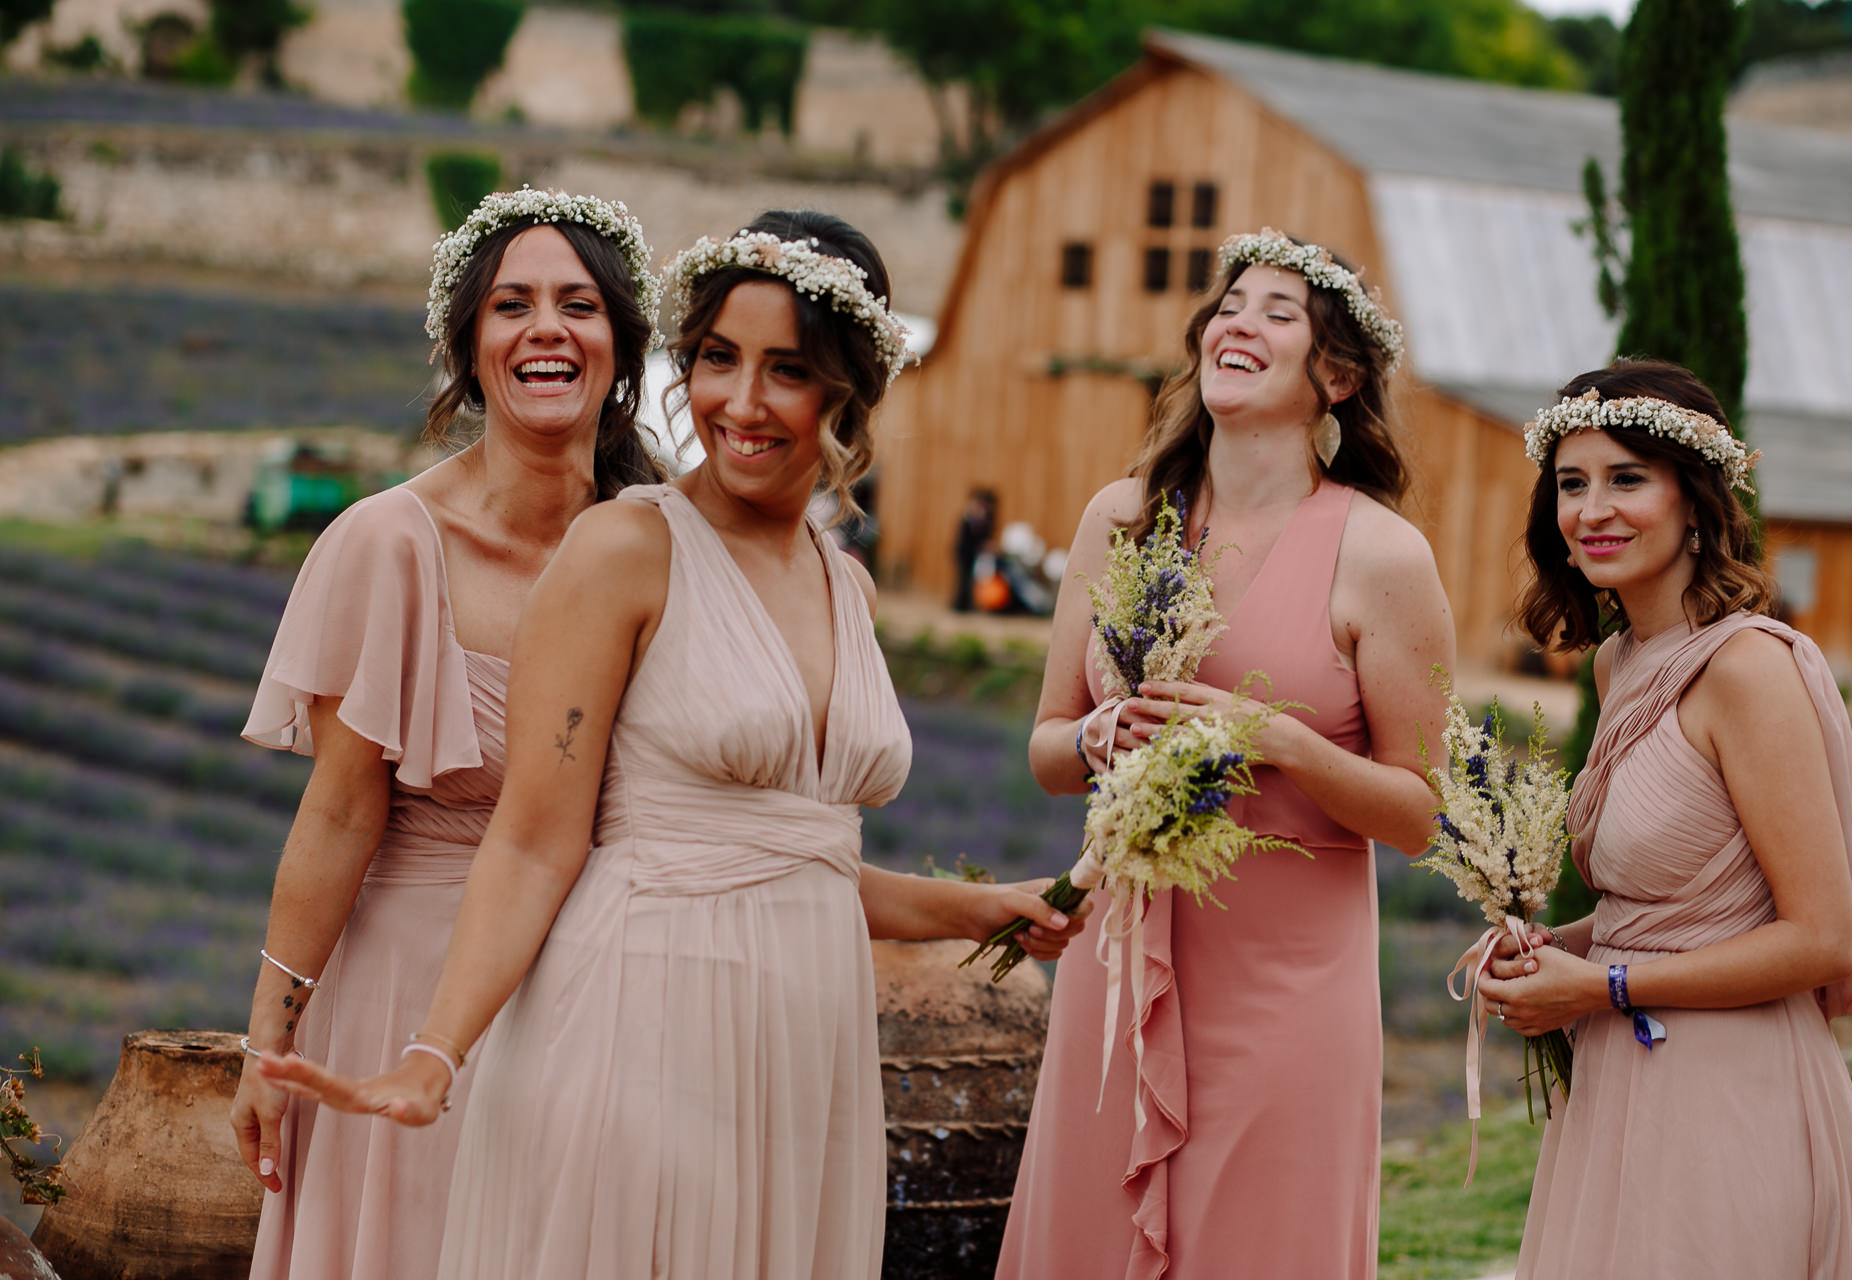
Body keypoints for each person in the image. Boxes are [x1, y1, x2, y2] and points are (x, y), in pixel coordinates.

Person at [257, 210, 1086, 1280]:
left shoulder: (849, 586)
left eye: (785, 369)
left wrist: (980, 906)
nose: (739, 404)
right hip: (636, 1032)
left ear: (849, 389)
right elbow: (536, 842)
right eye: (716, 360)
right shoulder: (624, 548)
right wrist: (434, 1053)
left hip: (803, 1065)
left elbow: (791, 854)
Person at [228, 187, 671, 1280]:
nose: (546, 330)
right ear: (470, 349)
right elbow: (335, 811)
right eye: (512, 306)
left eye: (578, 305)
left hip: (613, 993)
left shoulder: (669, 546)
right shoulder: (387, 545)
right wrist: (266, 1043)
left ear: (622, 344)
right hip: (407, 988)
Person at [997, 229, 1455, 1280]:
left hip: (1288, 984)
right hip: (1122, 958)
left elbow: (1425, 813)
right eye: (1229, 303)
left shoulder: (1381, 553)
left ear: (1335, 375)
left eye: (1276, 311)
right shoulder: (1120, 518)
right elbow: (1044, 750)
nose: (1237, 323)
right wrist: (1103, 734)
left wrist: (1280, 741)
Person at [1478, 359, 1852, 1278]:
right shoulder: (1618, 663)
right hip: (1625, 1084)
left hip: (1732, 1095)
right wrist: (1555, 948)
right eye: (1572, 484)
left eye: (1628, 479)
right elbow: (1660, 908)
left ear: (1696, 501)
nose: (1593, 510)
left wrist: (1600, 987)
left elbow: (1824, 937)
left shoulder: (1746, 671)